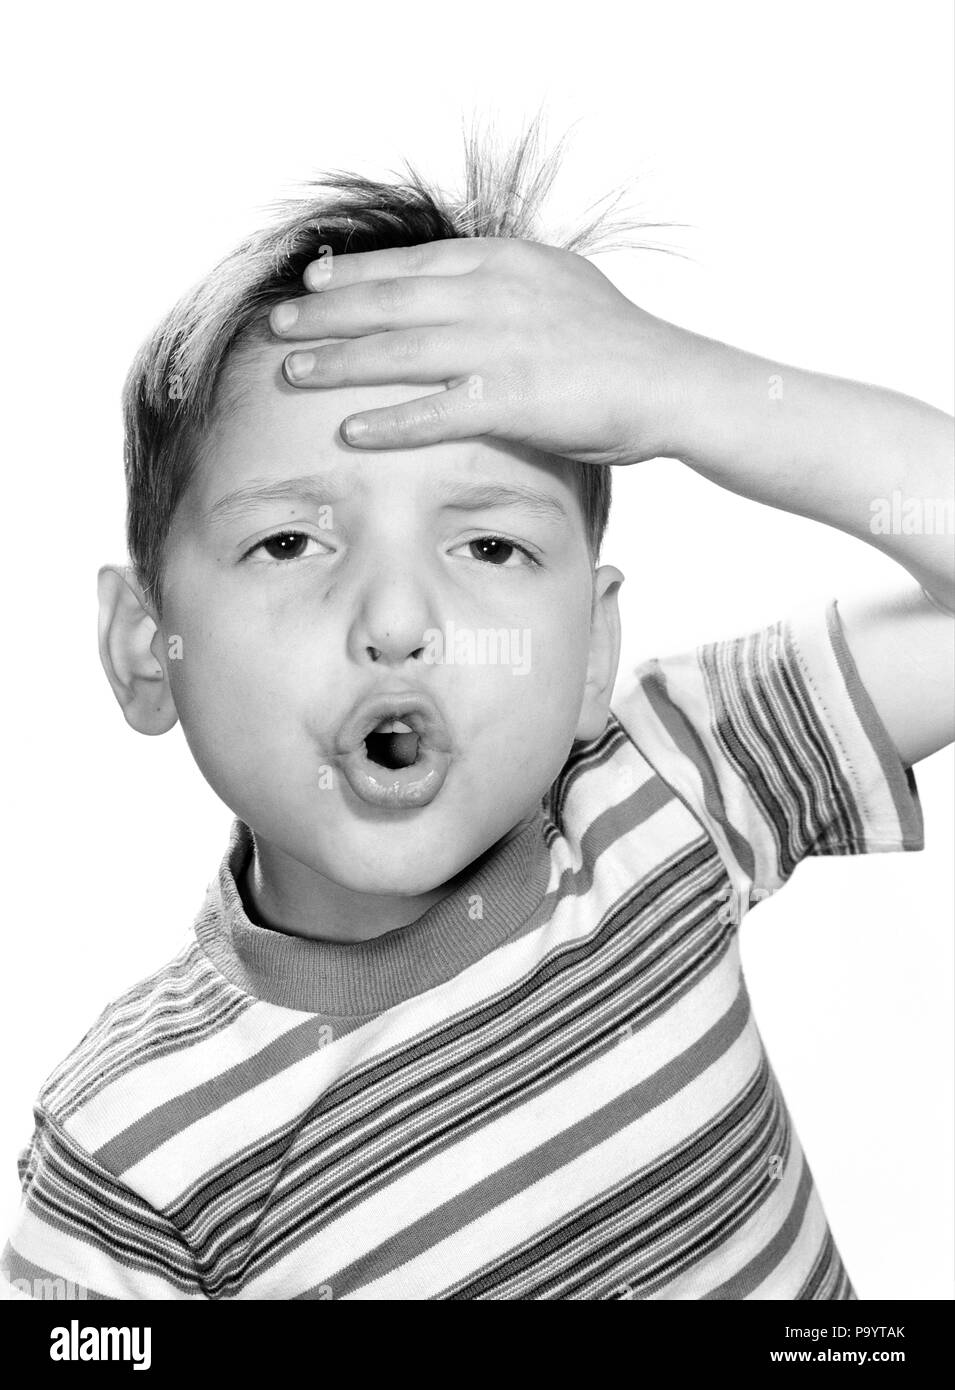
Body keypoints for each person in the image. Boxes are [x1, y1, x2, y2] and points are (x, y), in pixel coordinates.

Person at [2, 122, 951, 1301]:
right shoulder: (128, 1152)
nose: (397, 616)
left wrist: (688, 389)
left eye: (490, 541)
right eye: (290, 539)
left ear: (592, 645)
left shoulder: (670, 788)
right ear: (148, 645)